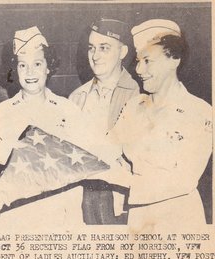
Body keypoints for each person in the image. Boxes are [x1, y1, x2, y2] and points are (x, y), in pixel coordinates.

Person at [89, 19, 212, 231]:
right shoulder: (134, 106)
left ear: (174, 59)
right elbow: (109, 147)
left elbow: (184, 180)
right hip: (139, 219)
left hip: (179, 220)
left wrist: (123, 180)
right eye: (137, 61)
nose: (139, 69)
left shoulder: (200, 112)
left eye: (148, 61)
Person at [0, 26, 84, 228]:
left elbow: (79, 168)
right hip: (14, 216)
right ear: (15, 70)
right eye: (23, 66)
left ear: (48, 67)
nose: (30, 72)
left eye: (37, 63)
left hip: (58, 215)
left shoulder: (68, 110)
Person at [69, 18, 139, 225]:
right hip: (82, 196)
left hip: (121, 199)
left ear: (123, 52)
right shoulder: (76, 97)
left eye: (104, 48)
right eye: (91, 48)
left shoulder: (139, 94)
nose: (95, 55)